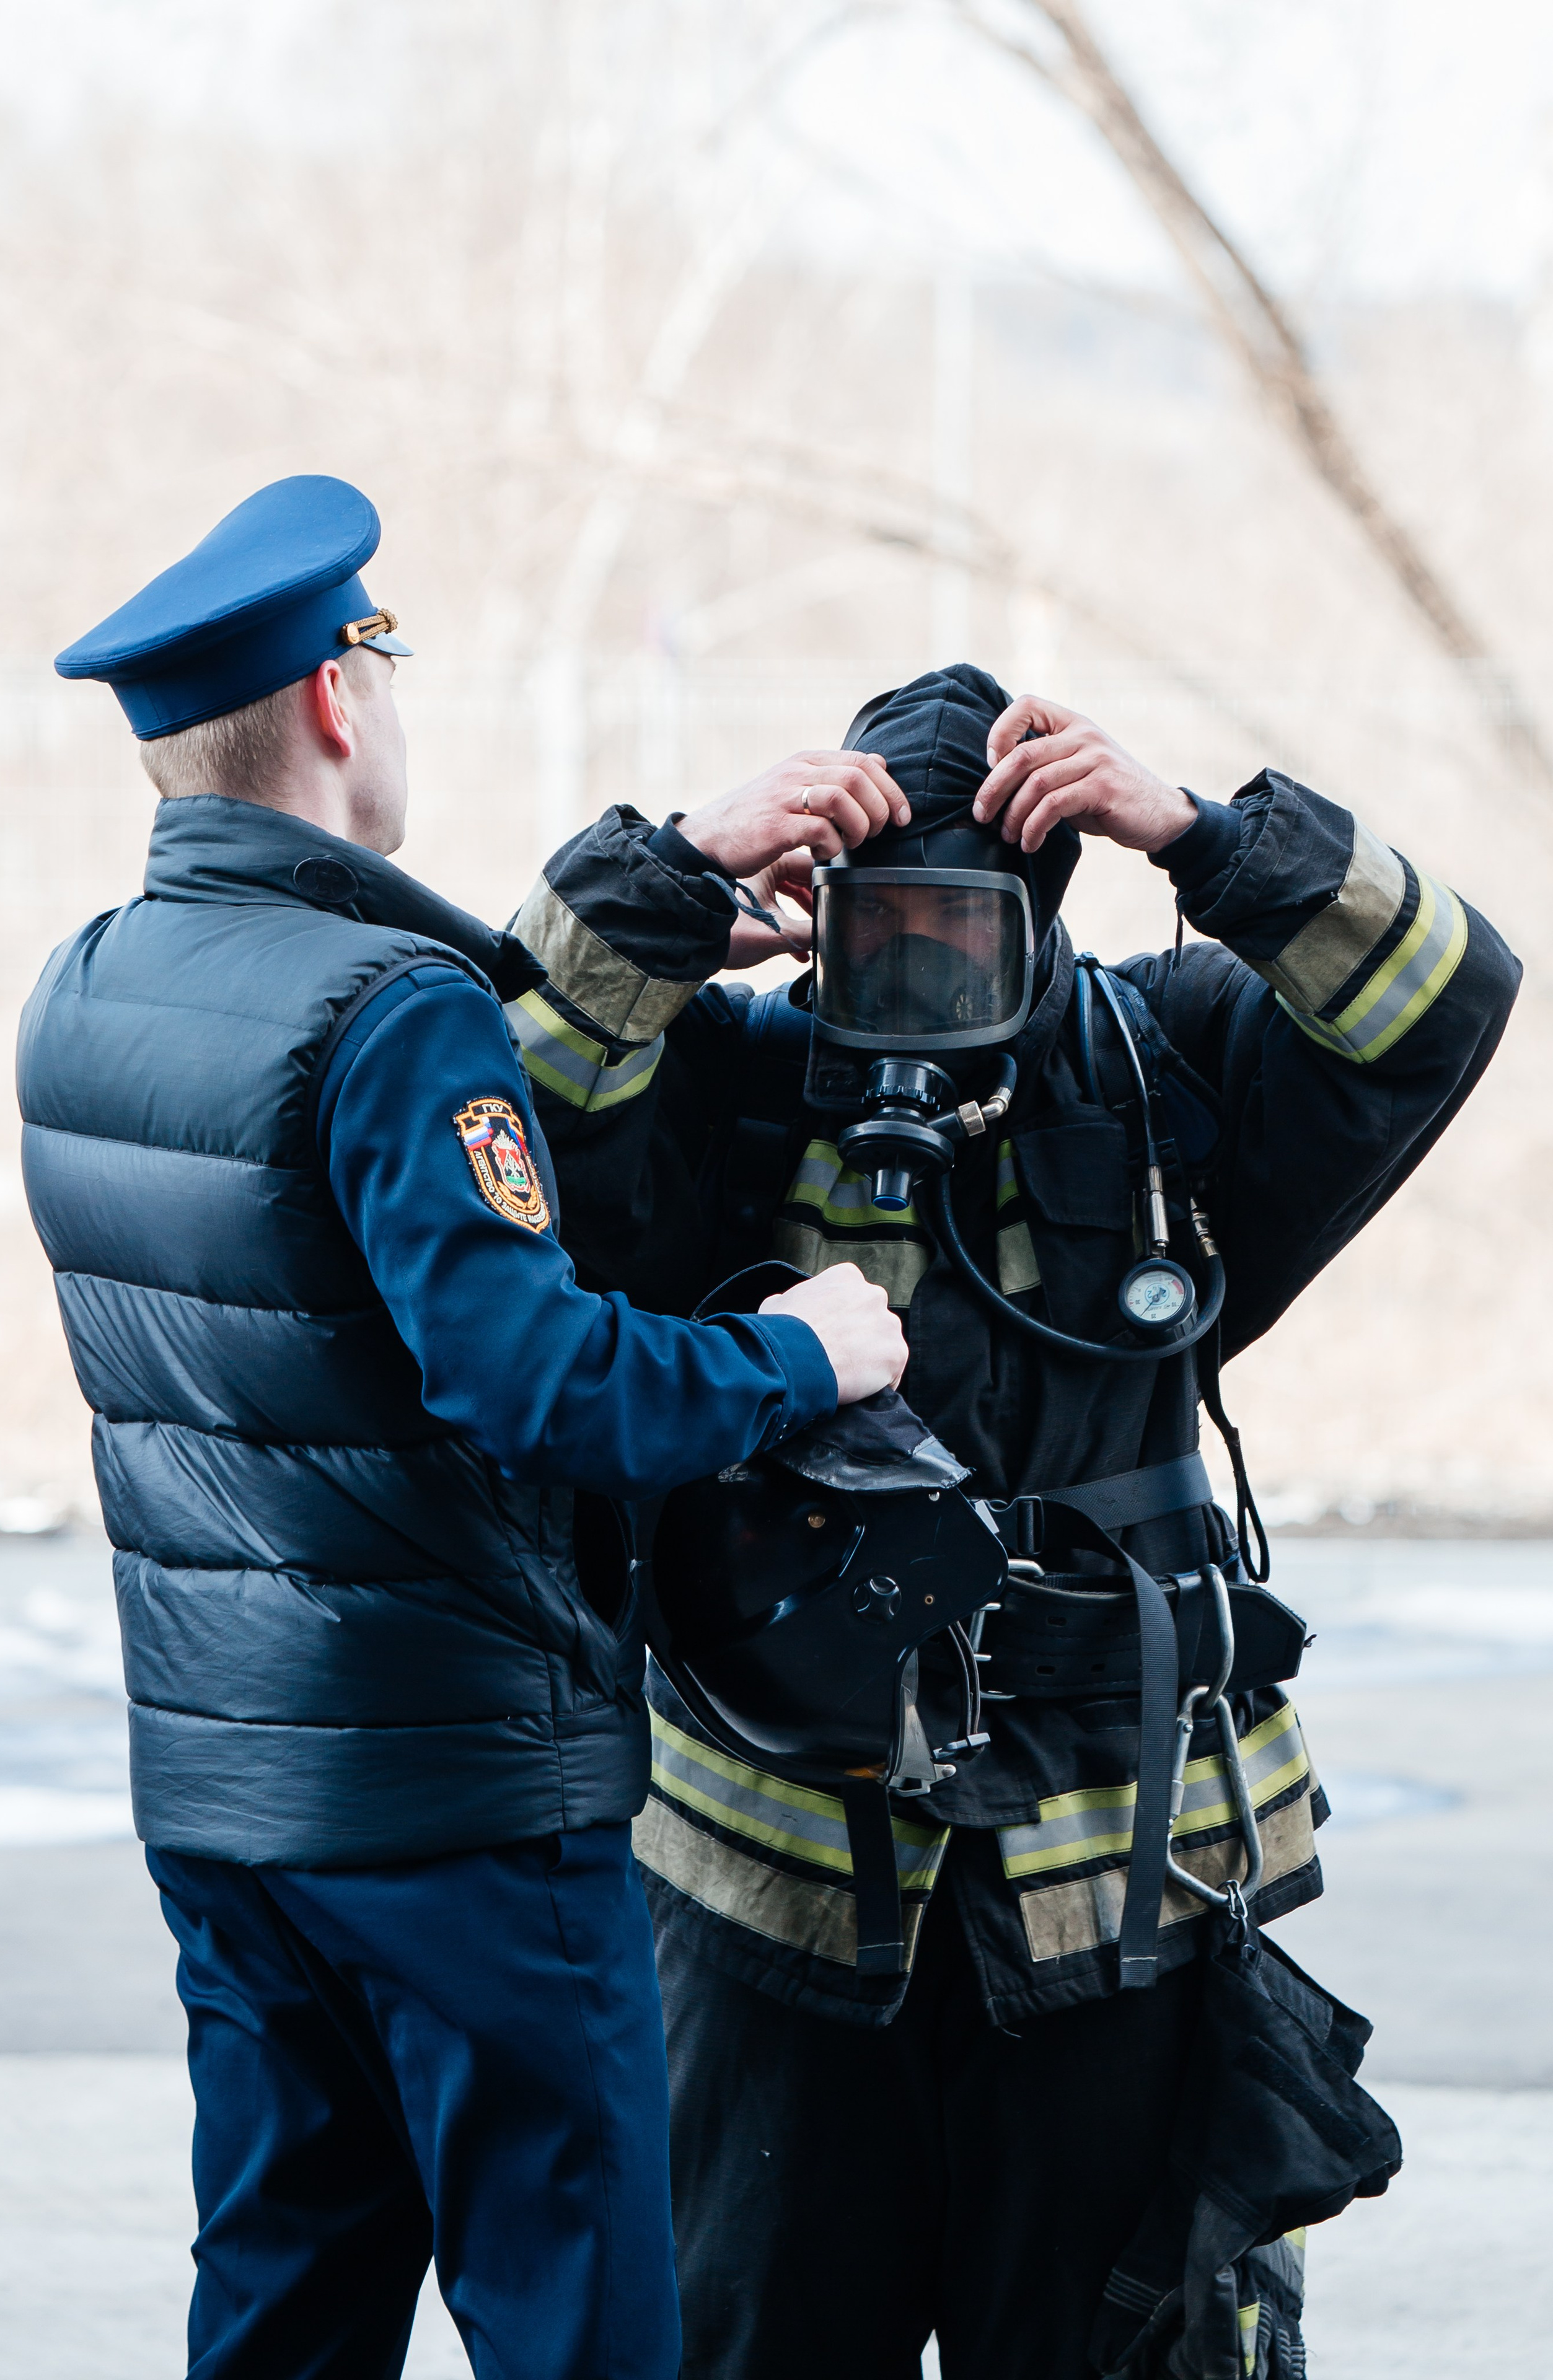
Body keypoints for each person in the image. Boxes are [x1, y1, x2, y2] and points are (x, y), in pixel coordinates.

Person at [505, 662, 1521, 2379]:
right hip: (778, 1900)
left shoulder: (1166, 1078)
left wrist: (1205, 836)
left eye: (958, 922)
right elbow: (501, 1080)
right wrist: (676, 877)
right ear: (814, 913)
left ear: (1041, 911)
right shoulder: (736, 1089)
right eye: (874, 920)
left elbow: (1441, 995)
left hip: (1120, 1897)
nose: (914, 967)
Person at [16, 473, 906, 2380]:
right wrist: (808, 1357)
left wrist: (665, 887)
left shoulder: (84, 992)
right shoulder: (400, 1014)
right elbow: (540, 1380)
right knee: (576, 2325)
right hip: (467, 1819)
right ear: (343, 696)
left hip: (230, 1801)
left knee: (282, 2308)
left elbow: (323, 1153)